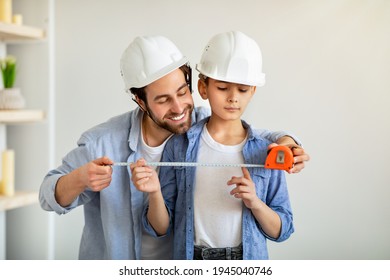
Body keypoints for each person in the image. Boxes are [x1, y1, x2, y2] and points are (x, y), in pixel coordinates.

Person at [39, 35, 308, 260]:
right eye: (164, 100)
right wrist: (80, 178)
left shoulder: (202, 123)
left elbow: (251, 136)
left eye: (182, 92)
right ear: (140, 101)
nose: (179, 108)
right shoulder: (103, 142)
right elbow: (47, 196)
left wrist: (288, 142)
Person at [132, 31, 297, 260]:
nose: (233, 98)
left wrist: (255, 203)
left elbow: (283, 230)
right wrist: (154, 193)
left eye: (242, 89)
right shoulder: (179, 147)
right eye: (222, 88)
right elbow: (160, 228)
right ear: (202, 88)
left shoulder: (267, 151)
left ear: (253, 91)